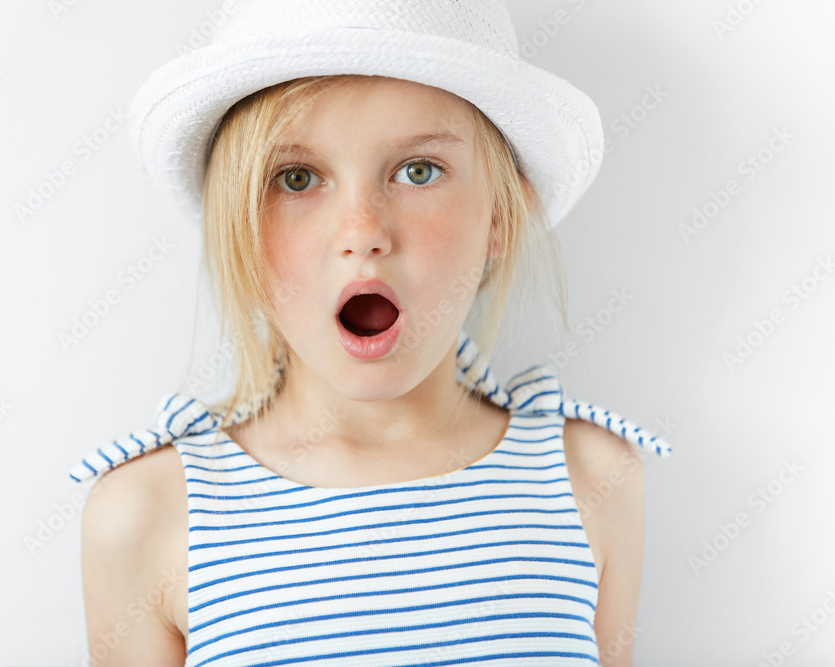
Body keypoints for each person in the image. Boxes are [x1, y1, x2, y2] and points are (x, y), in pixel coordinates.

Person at [69, 1, 673, 665]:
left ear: (503, 215)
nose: (363, 232)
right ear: (237, 227)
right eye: (296, 178)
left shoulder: (590, 479)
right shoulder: (150, 515)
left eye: (418, 171)